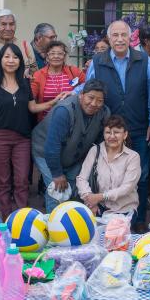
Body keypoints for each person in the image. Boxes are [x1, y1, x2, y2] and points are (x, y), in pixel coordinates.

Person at [0, 44, 65, 218]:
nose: (11, 61)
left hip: (22, 139)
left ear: (20, 61)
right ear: (0, 60)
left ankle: (21, 219)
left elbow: (33, 108)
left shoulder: (26, 83)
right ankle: (6, 218)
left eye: (15, 57)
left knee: (22, 180)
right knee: (2, 181)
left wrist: (54, 102)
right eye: (7, 57)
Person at [85, 20, 150, 227]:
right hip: (109, 130)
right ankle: (108, 221)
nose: (120, 39)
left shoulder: (144, 60)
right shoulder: (98, 61)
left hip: (139, 127)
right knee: (108, 176)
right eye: (115, 35)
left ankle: (138, 220)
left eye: (124, 35)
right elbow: (89, 90)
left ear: (131, 37)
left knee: (140, 177)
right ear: (109, 38)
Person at [32, 79, 109, 212]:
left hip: (74, 155)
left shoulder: (104, 113)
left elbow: (97, 143)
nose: (94, 104)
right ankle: (53, 225)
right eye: (90, 98)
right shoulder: (64, 110)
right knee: (57, 190)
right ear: (81, 95)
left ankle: (70, 224)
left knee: (74, 187)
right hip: (45, 152)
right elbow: (52, 146)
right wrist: (57, 174)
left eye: (99, 101)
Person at [76, 115, 141, 217]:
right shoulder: (95, 151)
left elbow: (127, 188)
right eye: (108, 132)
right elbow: (81, 179)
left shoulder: (133, 157)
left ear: (125, 135)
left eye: (116, 132)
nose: (112, 136)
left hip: (123, 211)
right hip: (99, 208)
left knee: (112, 232)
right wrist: (89, 199)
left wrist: (100, 197)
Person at [31, 40, 85, 122]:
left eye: (60, 53)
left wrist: (76, 93)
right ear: (47, 56)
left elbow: (89, 85)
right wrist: (53, 102)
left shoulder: (74, 72)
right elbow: (31, 103)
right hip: (46, 122)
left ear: (64, 56)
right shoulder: (38, 75)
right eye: (52, 53)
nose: (56, 56)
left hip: (72, 121)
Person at [0, 9, 38, 79]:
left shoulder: (25, 46)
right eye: (3, 24)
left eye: (11, 24)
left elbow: (35, 74)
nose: (8, 28)